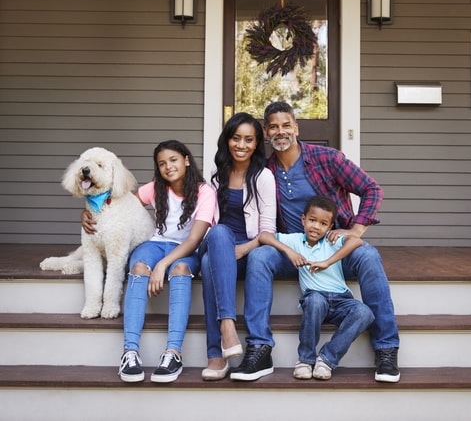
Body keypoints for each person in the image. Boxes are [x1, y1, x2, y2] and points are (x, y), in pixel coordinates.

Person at [230, 101, 400, 383]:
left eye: (286, 125)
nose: (280, 131)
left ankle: (386, 349)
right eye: (274, 126)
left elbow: (372, 189)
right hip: (293, 251)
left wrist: (356, 231)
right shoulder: (263, 172)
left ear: (296, 127)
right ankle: (259, 347)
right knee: (260, 258)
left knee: (368, 256)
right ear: (266, 132)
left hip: (334, 248)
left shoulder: (327, 159)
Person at [83, 140, 216, 383]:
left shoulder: (204, 191)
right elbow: (120, 203)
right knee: (138, 267)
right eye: (162, 163)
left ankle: (173, 352)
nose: (168, 167)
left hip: (186, 250)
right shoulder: (155, 188)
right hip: (154, 244)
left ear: (186, 160)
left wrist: (163, 264)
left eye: (174, 160)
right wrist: (90, 211)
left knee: (180, 268)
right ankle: (130, 352)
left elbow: (195, 239)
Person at [259, 195, 374, 380]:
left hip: (341, 299)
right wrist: (290, 252)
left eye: (323, 224)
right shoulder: (296, 241)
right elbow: (264, 236)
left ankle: (327, 359)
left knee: (365, 313)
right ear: (303, 219)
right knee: (314, 300)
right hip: (315, 298)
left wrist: (328, 261)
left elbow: (357, 241)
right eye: (312, 220)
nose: (316, 227)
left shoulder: (332, 240)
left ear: (329, 227)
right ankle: (305, 359)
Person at [198, 112, 276, 381]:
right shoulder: (215, 173)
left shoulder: (264, 177)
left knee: (209, 264)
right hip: (220, 243)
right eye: (236, 138)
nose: (241, 145)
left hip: (248, 248)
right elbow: (207, 220)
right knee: (218, 233)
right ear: (227, 140)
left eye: (248, 140)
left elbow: (268, 229)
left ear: (256, 144)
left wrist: (245, 249)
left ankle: (216, 354)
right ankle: (228, 326)